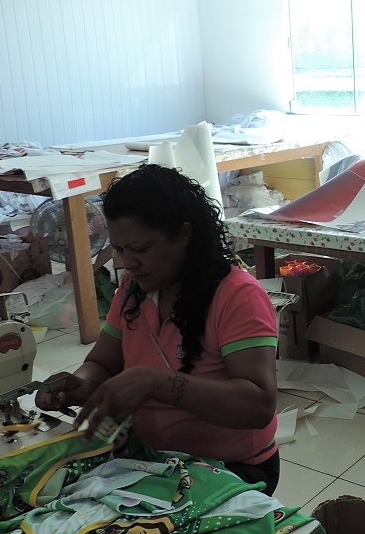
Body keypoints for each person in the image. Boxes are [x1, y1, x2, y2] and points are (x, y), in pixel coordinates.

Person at [36, 165, 281, 494]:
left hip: (231, 467)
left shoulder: (238, 296)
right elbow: (101, 363)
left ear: (183, 234)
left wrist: (156, 383)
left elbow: (258, 405)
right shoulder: (133, 288)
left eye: (141, 249)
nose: (128, 263)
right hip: (151, 459)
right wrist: (77, 386)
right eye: (120, 250)